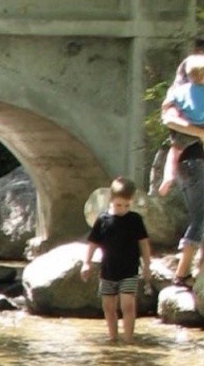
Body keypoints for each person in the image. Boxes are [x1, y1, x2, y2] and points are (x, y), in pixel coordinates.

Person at [81, 177, 152, 343]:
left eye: (127, 205)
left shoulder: (135, 220)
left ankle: (128, 339)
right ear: (111, 200)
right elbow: (92, 243)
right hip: (108, 270)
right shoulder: (103, 220)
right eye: (119, 205)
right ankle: (113, 337)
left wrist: (147, 265)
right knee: (108, 306)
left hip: (129, 270)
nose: (123, 209)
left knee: (128, 304)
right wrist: (86, 262)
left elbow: (144, 243)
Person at [161, 55, 204, 288]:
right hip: (196, 161)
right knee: (200, 217)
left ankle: (197, 268)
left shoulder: (180, 93)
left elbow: (170, 123)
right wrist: (200, 133)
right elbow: (168, 119)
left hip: (188, 159)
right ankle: (182, 272)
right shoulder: (183, 94)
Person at [159, 55, 204, 197]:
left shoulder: (180, 90)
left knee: (174, 153)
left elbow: (166, 106)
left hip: (187, 126)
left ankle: (168, 177)